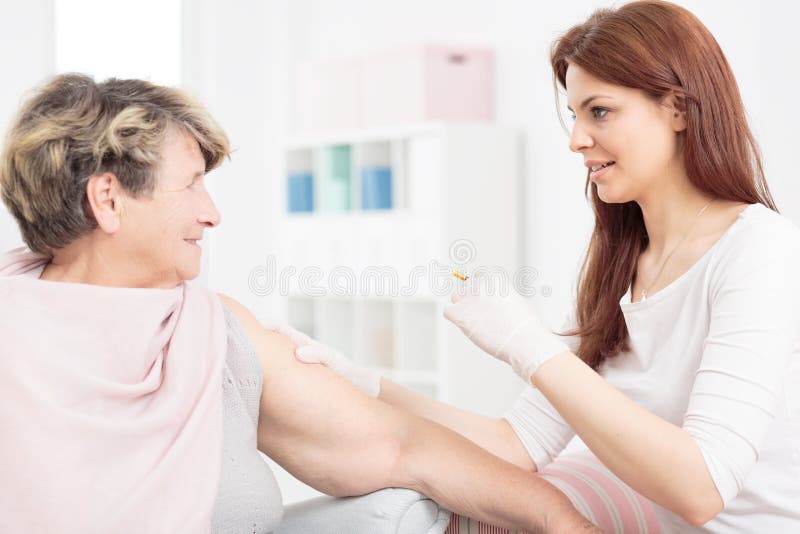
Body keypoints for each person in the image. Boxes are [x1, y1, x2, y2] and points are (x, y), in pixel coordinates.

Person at [0, 73, 602, 534]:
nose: (212, 214)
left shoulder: (214, 331)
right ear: (108, 199)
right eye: (190, 185)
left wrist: (560, 520)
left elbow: (398, 445)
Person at [294, 1, 800, 532]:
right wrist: (369, 386)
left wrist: (530, 347)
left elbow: (702, 489)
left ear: (677, 109)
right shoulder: (625, 264)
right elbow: (516, 444)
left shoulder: (759, 252)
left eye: (599, 111)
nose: (576, 138)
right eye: (575, 114)